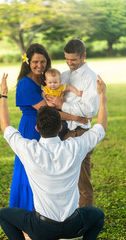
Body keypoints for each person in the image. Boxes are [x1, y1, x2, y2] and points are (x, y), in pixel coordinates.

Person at [0, 73, 107, 240]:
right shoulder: (74, 147)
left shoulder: (29, 149)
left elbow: (6, 126)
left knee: (4, 215)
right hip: (73, 226)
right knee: (98, 215)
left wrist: (3, 95)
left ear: (36, 128)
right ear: (59, 129)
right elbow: (101, 127)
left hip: (42, 229)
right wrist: (102, 96)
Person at [9, 43, 89, 213]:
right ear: (28, 62)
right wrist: (76, 117)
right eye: (35, 62)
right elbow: (48, 111)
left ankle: (50, 213)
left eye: (43, 61)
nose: (39, 65)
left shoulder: (48, 80)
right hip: (33, 128)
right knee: (30, 171)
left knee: (49, 172)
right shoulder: (25, 84)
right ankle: (29, 214)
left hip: (52, 130)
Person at [46, 39, 100, 207]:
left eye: (73, 60)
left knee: (83, 183)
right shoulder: (62, 75)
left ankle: (86, 223)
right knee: (65, 182)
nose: (69, 63)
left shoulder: (90, 77)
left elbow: (90, 109)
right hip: (63, 132)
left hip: (80, 132)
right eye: (67, 59)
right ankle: (70, 219)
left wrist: (62, 106)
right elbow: (51, 98)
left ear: (83, 56)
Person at [42, 68, 83, 139]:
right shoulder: (46, 89)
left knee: (63, 124)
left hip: (61, 109)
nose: (53, 85)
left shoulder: (60, 87)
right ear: (46, 82)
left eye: (55, 82)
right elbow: (43, 94)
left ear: (60, 81)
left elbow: (70, 88)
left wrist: (77, 92)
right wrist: (47, 102)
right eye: (50, 83)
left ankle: (61, 135)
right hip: (50, 109)